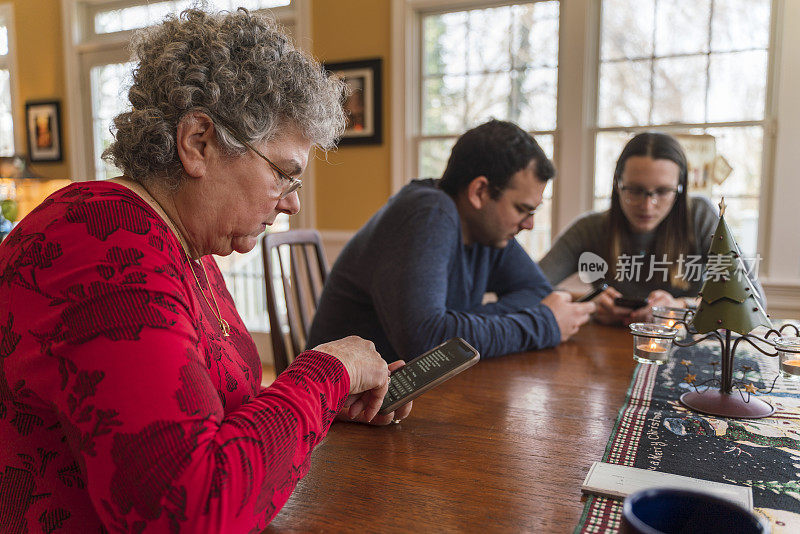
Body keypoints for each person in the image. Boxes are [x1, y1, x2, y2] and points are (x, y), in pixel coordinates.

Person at [0, 9, 410, 532]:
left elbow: (211, 416)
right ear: (199, 142)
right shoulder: (100, 244)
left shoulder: (183, 247)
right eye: (285, 174)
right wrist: (326, 374)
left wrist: (324, 407)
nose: (292, 205)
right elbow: (191, 512)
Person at [307, 120, 595, 363]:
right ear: (480, 192)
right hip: (338, 408)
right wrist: (542, 324)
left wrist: (458, 322)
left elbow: (537, 291)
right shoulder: (428, 212)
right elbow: (426, 342)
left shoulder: (489, 233)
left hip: (398, 396)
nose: (529, 224)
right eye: (522, 209)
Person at [539, 132, 764, 325]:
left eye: (663, 191)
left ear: (680, 188)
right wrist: (590, 305)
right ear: (617, 184)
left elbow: (753, 302)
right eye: (635, 190)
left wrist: (679, 307)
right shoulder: (589, 228)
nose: (648, 205)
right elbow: (527, 288)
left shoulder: (700, 216)